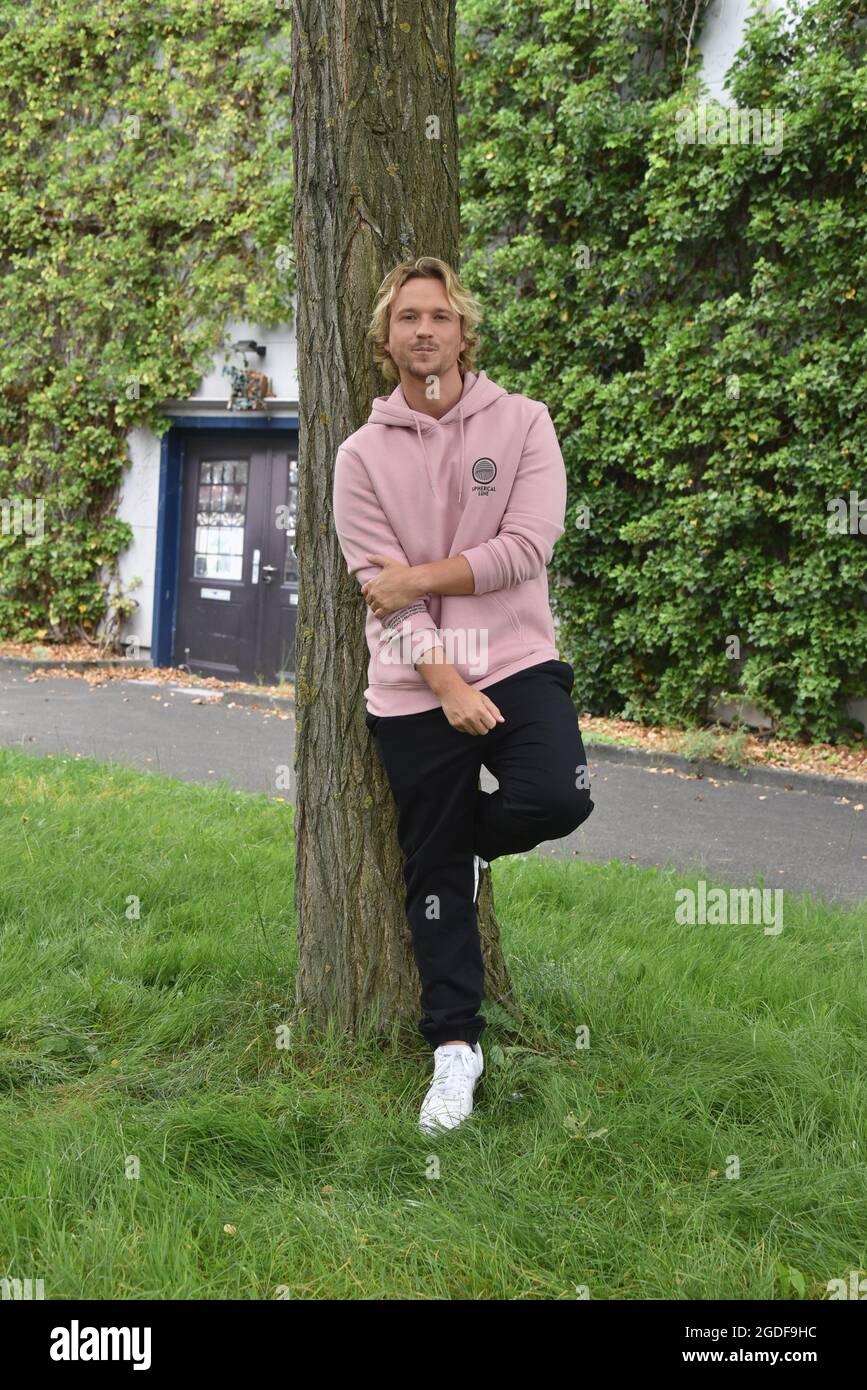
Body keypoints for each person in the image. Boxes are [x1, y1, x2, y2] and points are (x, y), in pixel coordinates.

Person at [332, 255, 595, 1134]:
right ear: (385, 341)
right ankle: (454, 1051)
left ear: (462, 332)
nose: (423, 331)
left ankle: (470, 842)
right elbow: (379, 587)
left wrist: (419, 580)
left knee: (559, 794)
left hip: (516, 656)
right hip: (413, 681)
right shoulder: (359, 456)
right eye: (406, 318)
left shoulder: (522, 423)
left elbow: (527, 546)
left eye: (438, 316)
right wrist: (442, 679)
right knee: (433, 878)